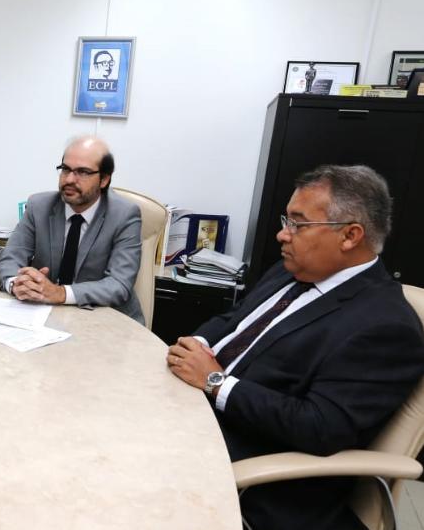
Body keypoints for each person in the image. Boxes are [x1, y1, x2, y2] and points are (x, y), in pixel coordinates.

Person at [166, 165, 424, 529]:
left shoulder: (385, 327)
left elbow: (320, 427)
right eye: (286, 220)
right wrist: (199, 343)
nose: (282, 234)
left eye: (298, 224)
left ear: (350, 235)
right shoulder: (294, 269)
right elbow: (234, 318)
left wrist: (215, 382)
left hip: (252, 478)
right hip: (193, 414)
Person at [0, 136, 144, 324]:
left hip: (108, 321)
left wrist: (60, 293)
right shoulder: (39, 206)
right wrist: (16, 283)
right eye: (65, 169)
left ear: (104, 179)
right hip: (48, 317)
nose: (70, 179)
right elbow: (10, 257)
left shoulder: (124, 215)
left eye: (83, 172)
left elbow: (119, 284)